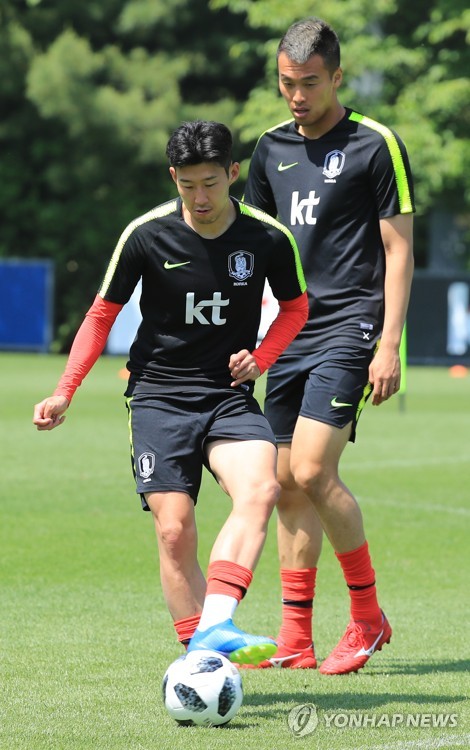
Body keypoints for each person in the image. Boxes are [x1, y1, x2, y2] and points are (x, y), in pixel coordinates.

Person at [33, 120, 308, 666]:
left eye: (210, 183)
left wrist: (262, 358)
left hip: (227, 395)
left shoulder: (268, 238)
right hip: (158, 395)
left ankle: (217, 622)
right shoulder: (146, 234)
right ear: (172, 177)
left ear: (233, 173)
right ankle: (201, 659)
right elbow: (101, 315)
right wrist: (65, 391)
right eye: (187, 185)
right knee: (175, 529)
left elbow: (296, 308)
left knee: (261, 489)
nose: (199, 198)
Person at [243, 17, 415, 674]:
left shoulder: (376, 144)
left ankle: (367, 617)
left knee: (314, 471)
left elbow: (398, 249)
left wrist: (389, 344)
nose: (297, 95)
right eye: (287, 82)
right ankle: (295, 637)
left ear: (337, 76)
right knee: (285, 484)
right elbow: (255, 252)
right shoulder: (269, 149)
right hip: (287, 333)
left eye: (310, 83)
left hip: (351, 328)